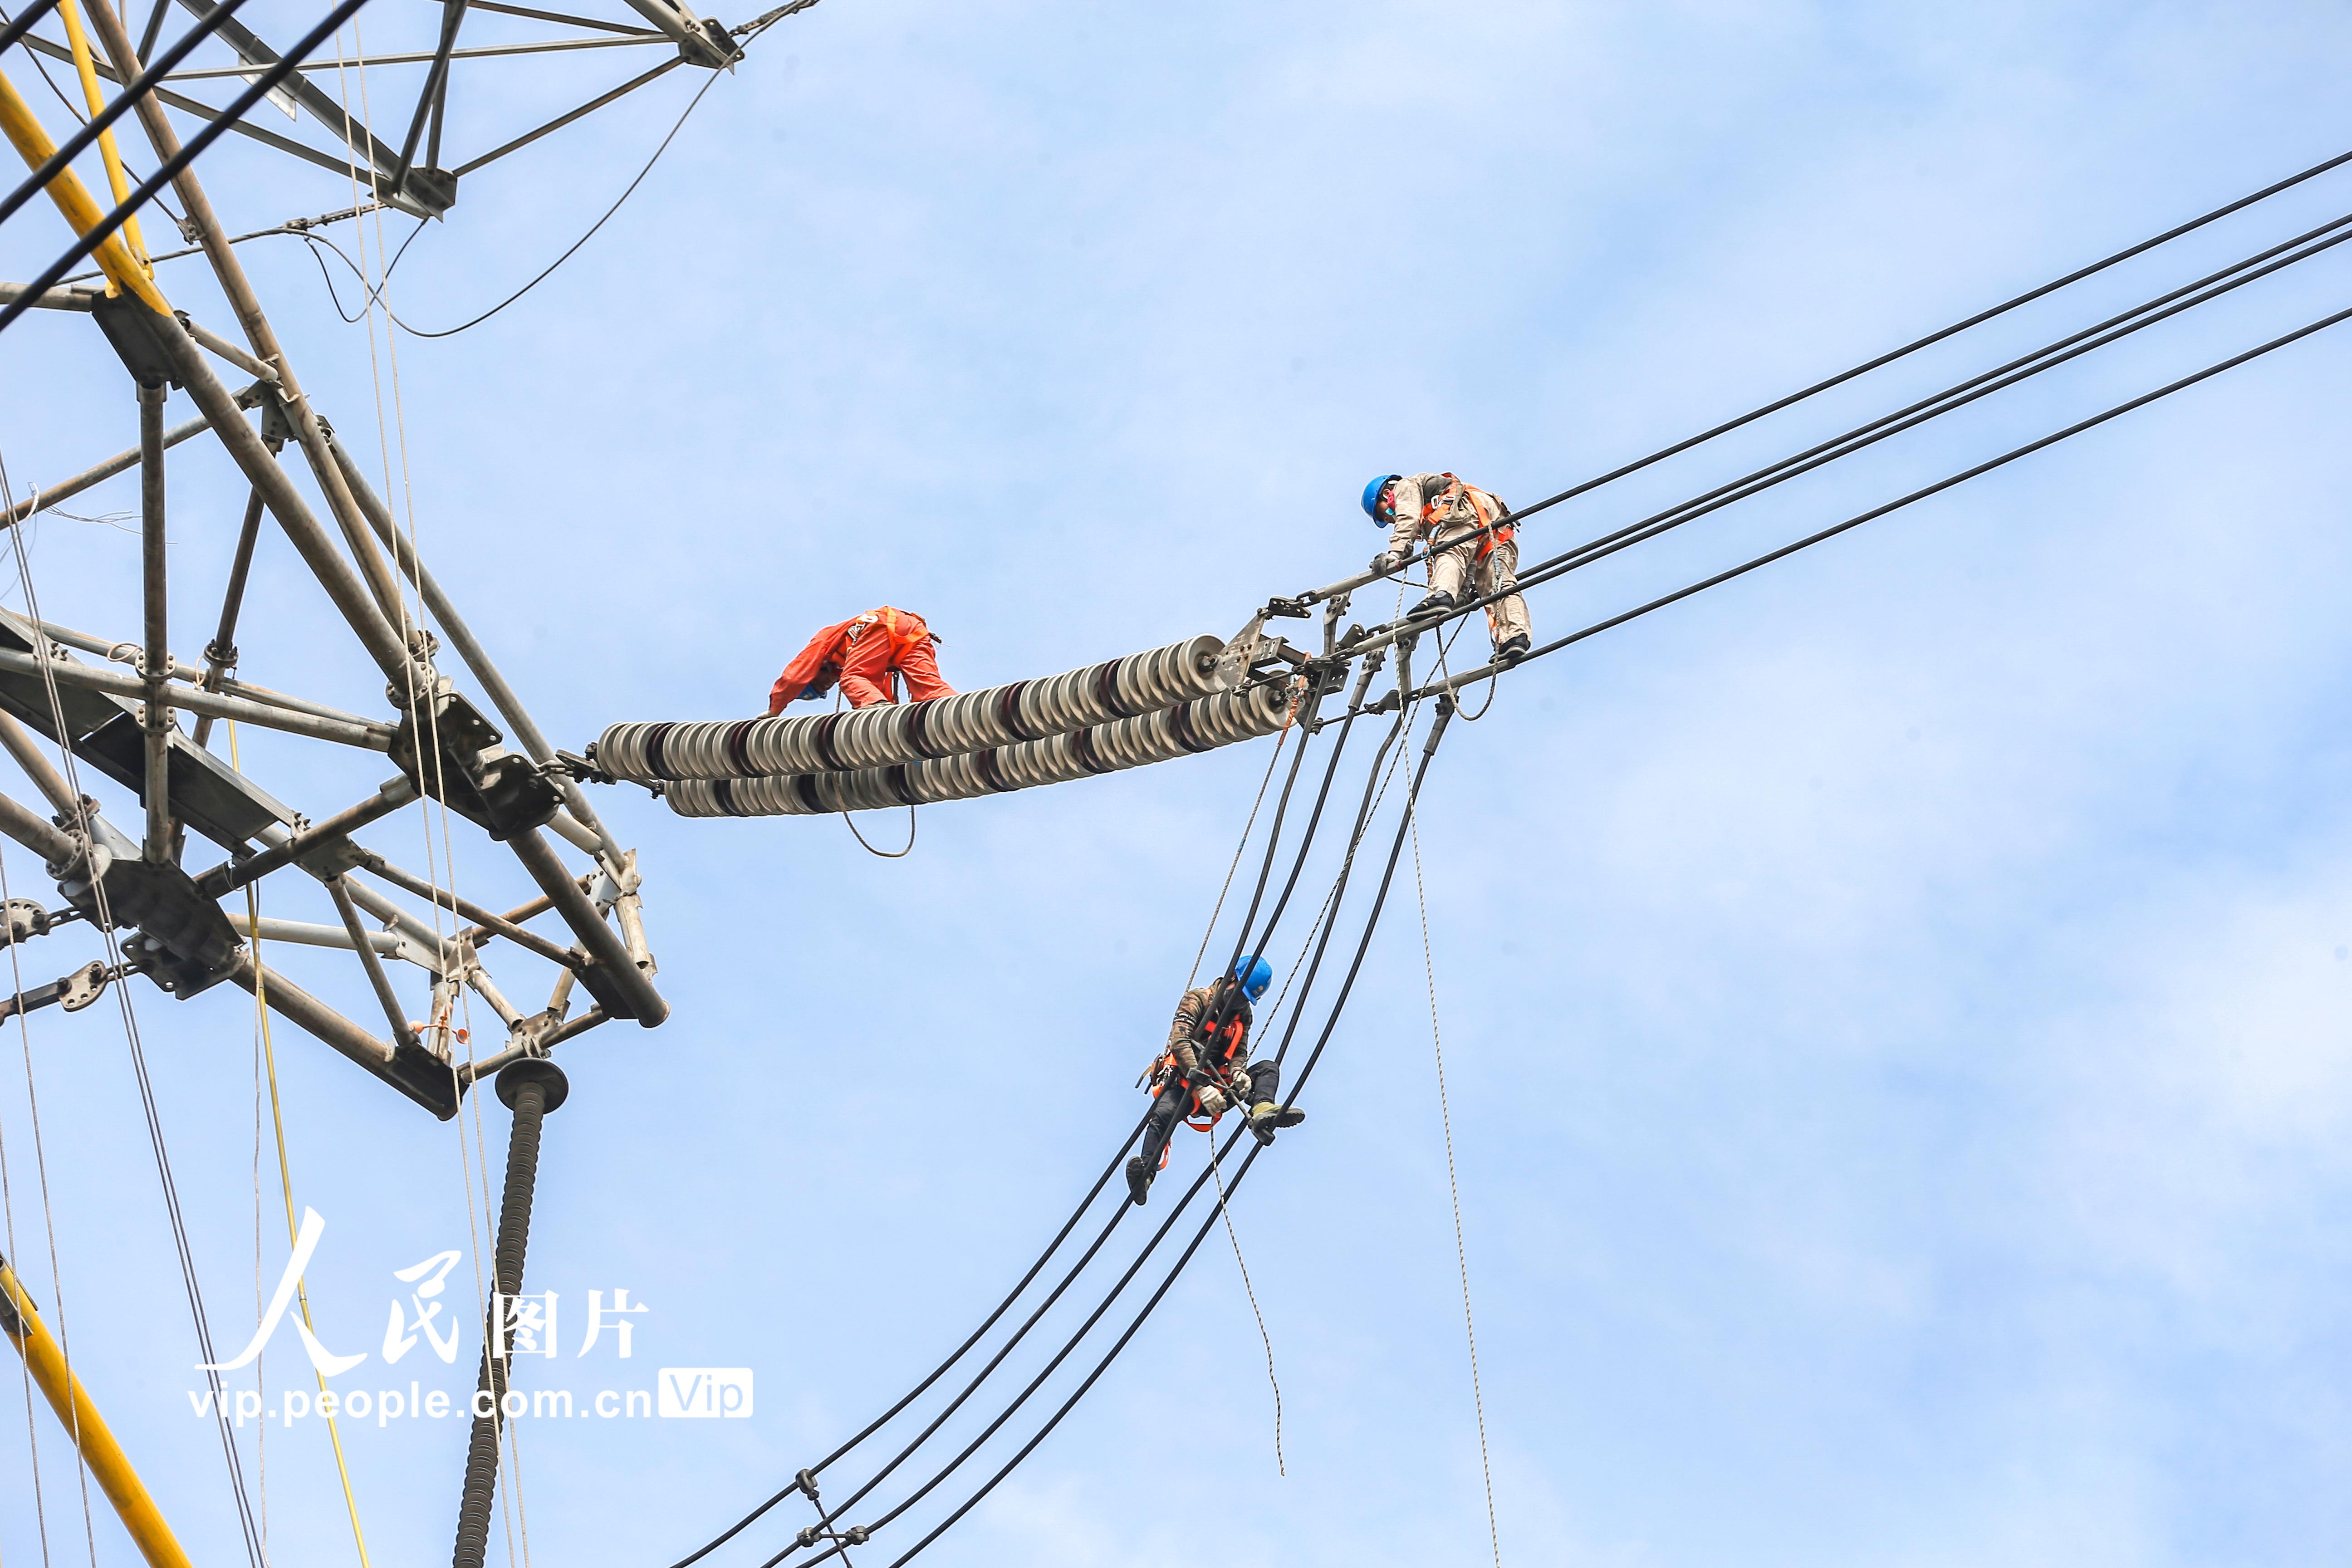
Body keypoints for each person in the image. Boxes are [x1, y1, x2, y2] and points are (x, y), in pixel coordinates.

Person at [1126, 955, 1305, 1207]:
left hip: (1220, 1089)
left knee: (1267, 1068)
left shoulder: (1244, 1015)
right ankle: (1146, 1174)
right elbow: (1180, 1042)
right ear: (1231, 978)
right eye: (1240, 994)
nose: (1241, 1002)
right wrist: (1200, 1086)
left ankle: (1263, 1110)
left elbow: (1239, 1050)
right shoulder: (1198, 999)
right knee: (1164, 1113)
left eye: (1247, 999)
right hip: (1185, 1085)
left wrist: (1239, 1073)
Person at [1365, 472, 1533, 663]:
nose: (1390, 520)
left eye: (1385, 514)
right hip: (1497, 523)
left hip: (1462, 512)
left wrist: (1395, 554)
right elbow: (1468, 561)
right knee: (1498, 582)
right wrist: (1463, 593)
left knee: (1450, 552)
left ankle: (1441, 595)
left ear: (1387, 494)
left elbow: (1408, 518)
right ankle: (1514, 637)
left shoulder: (1404, 486)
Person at [767, 606, 955, 715]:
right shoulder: (858, 662)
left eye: (818, 686)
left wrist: (774, 710)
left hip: (882, 624)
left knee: (852, 679)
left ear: (810, 677)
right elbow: (879, 692)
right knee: (929, 691)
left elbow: (793, 677)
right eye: (824, 690)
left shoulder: (825, 639)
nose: (826, 686)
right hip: (912, 632)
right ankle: (963, 714)